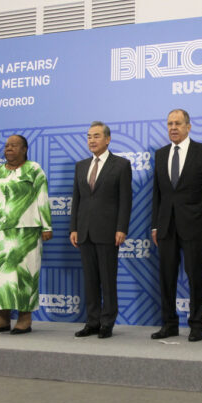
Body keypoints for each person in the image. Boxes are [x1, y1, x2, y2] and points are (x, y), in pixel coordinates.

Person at [150, 109, 202, 342]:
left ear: (188, 127)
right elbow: (157, 194)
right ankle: (169, 324)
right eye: (170, 123)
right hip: (166, 227)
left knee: (195, 277)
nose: (173, 127)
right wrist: (155, 226)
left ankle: (196, 324)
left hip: (195, 225)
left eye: (178, 123)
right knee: (167, 278)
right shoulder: (160, 154)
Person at [0, 135, 52, 334]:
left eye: (14, 145)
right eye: (6, 146)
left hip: (26, 232)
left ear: (24, 149)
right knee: (0, 277)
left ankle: (25, 318)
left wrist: (46, 226)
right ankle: (3, 318)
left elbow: (42, 196)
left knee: (24, 275)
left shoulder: (34, 169)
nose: (9, 148)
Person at [70, 122, 132, 339]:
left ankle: (107, 322)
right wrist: (74, 228)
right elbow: (77, 199)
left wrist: (121, 228)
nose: (91, 140)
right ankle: (92, 321)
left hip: (108, 231)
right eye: (88, 137)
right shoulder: (81, 165)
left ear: (107, 139)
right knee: (90, 280)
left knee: (107, 279)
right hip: (84, 231)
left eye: (96, 136)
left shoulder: (121, 165)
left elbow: (125, 201)